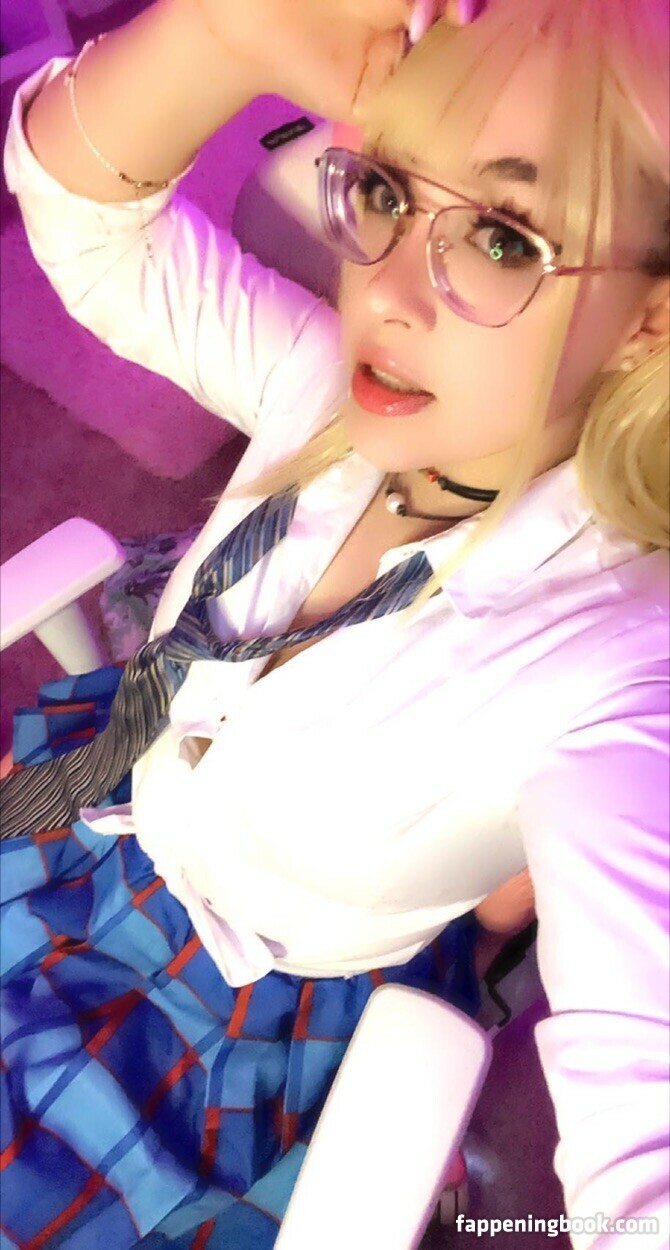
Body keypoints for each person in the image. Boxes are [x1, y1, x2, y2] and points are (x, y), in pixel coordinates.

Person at [1, 0, 668, 1245]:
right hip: (108, 801)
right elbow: (89, 228)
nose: (387, 293)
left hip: (246, 1017)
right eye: (387, 191)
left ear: (651, 315)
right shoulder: (317, 389)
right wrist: (223, 33)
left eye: (504, 237)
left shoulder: (623, 662)